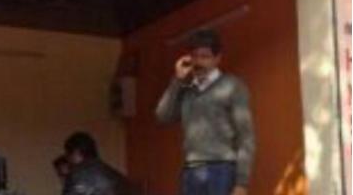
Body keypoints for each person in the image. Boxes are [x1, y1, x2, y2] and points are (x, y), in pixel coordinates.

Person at [155, 29, 256, 195]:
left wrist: (241, 183)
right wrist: (177, 80)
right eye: (195, 56)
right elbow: (162, 116)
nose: (199, 62)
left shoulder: (233, 86)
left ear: (217, 58)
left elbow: (246, 137)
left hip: (222, 170)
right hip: (191, 171)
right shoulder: (187, 90)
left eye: (205, 56)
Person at [62, 131, 134, 195]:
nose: (68, 159)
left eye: (68, 155)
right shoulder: (116, 175)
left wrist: (68, 177)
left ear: (76, 152)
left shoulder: (79, 174)